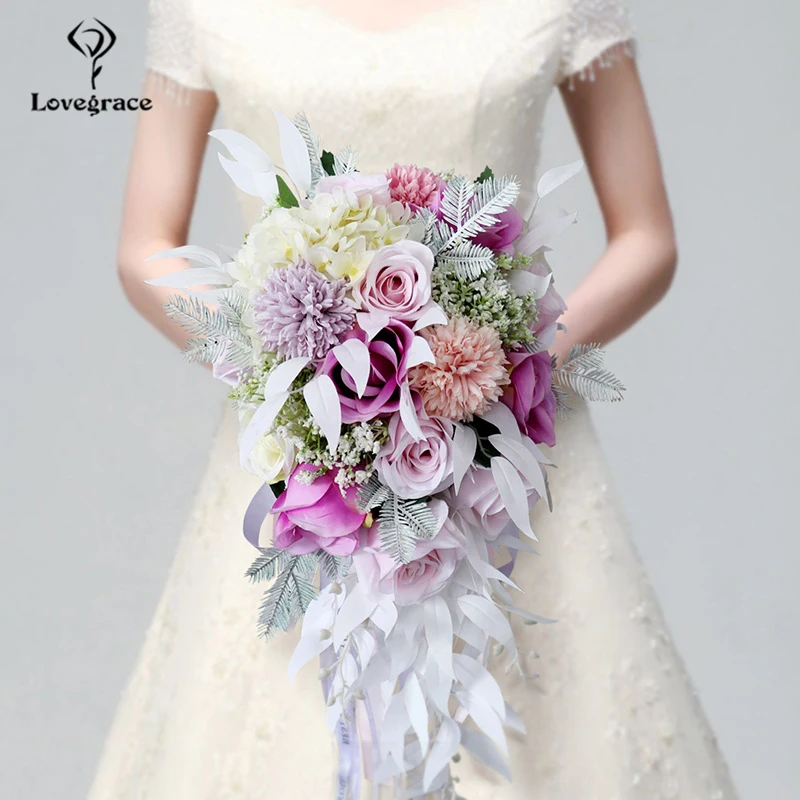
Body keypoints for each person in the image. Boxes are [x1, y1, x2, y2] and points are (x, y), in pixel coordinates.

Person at [90, 0, 740, 797]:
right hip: (297, 462)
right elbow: (144, 246)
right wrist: (298, 382)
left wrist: (502, 373)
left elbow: (646, 236)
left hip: (510, 454)